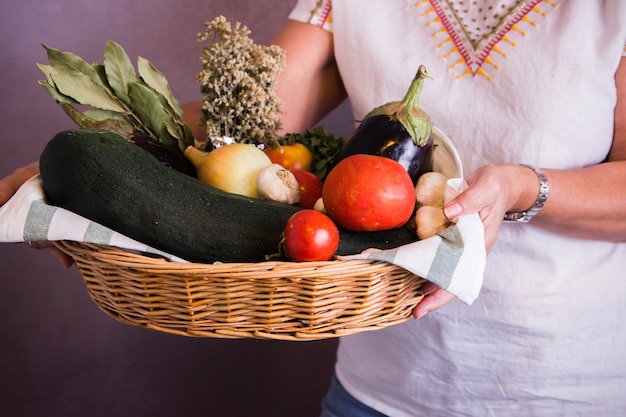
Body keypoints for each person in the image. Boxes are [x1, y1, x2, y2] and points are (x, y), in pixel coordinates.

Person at [2, 0, 626, 415]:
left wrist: (520, 188)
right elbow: (250, 117)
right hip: (378, 389)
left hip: (566, 387)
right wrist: (76, 167)